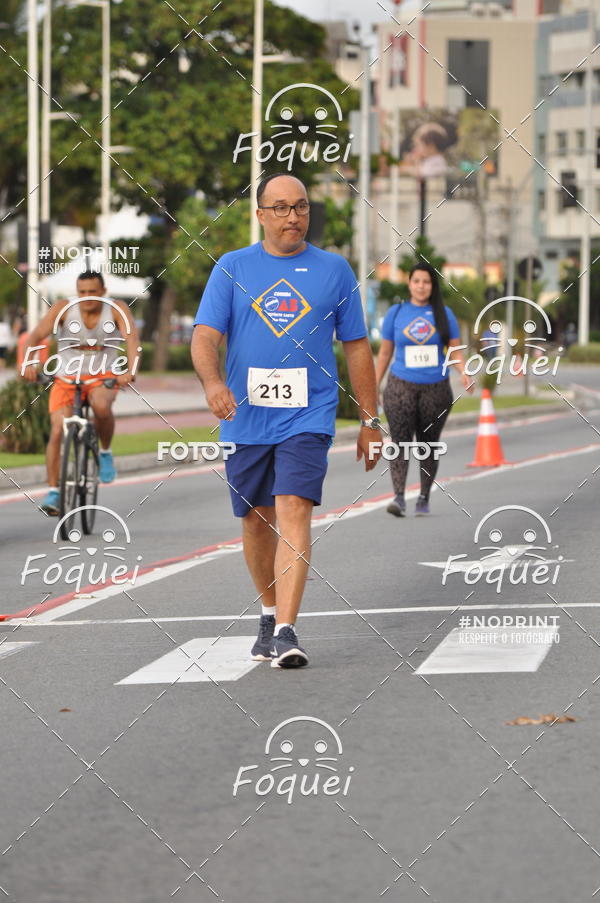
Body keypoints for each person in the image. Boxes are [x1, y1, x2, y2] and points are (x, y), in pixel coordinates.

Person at [191, 173, 382, 670]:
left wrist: (369, 419)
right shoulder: (232, 268)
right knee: (256, 521)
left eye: (300, 207)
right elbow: (204, 337)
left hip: (308, 414)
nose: (292, 216)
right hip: (246, 416)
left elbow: (357, 346)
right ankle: (268, 611)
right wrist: (213, 384)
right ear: (259, 215)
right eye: (280, 207)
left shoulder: (335, 271)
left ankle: (286, 630)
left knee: (294, 506)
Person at [22, 270, 140, 515]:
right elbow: (36, 335)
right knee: (57, 431)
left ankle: (105, 452)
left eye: (92, 292)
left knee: (101, 407)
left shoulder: (116, 309)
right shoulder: (64, 309)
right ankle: (54, 492)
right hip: (66, 377)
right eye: (82, 292)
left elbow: (131, 341)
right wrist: (29, 362)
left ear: (103, 292)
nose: (87, 297)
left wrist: (130, 369)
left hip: (103, 376)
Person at [375, 262, 473, 517]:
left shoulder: (444, 314)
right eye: (416, 281)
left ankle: (423, 496)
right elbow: (385, 352)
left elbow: (454, 350)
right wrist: (374, 384)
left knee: (428, 444)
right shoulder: (396, 313)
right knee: (400, 441)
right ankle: (398, 497)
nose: (421, 286)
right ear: (409, 284)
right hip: (400, 386)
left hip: (435, 389)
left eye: (426, 282)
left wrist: (463, 372)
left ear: (433, 286)